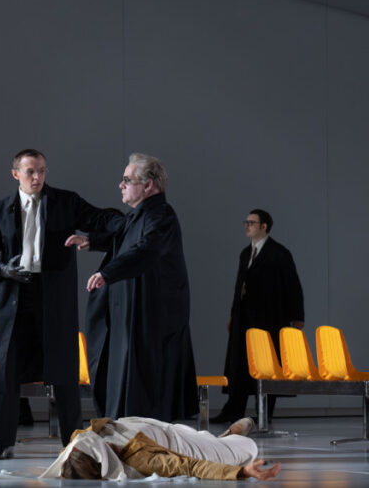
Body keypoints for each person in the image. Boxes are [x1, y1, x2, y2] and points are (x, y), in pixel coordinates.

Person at [0, 149, 105, 458]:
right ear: (15, 174)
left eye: (42, 171)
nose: (37, 177)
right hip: (14, 296)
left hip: (53, 296)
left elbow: (101, 220)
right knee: (6, 371)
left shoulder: (65, 202)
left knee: (64, 371)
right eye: (31, 171)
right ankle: (4, 443)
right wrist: (2, 270)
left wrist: (128, 218)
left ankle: (72, 443)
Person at [69, 153, 199, 422]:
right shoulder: (141, 215)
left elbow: (146, 249)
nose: (121, 185)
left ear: (148, 185)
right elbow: (126, 239)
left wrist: (107, 272)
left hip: (150, 321)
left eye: (127, 180)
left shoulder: (161, 215)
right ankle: (124, 428)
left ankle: (138, 432)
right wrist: (92, 241)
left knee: (146, 387)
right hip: (133, 316)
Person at [212, 209, 304, 423]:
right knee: (239, 363)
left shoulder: (279, 253)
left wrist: (297, 316)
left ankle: (264, 413)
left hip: (269, 317)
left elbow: (292, 285)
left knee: (267, 363)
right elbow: (239, 287)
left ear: (264, 226)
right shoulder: (246, 253)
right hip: (244, 317)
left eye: (252, 222)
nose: (247, 225)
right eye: (246, 222)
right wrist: (234, 315)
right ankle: (234, 410)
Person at [40, 415, 281, 480]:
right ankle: (229, 437)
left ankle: (218, 439)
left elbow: (74, 452)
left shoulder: (84, 440)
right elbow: (189, 466)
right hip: (182, 447)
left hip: (163, 426)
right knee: (248, 447)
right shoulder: (142, 459)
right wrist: (241, 472)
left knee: (205, 437)